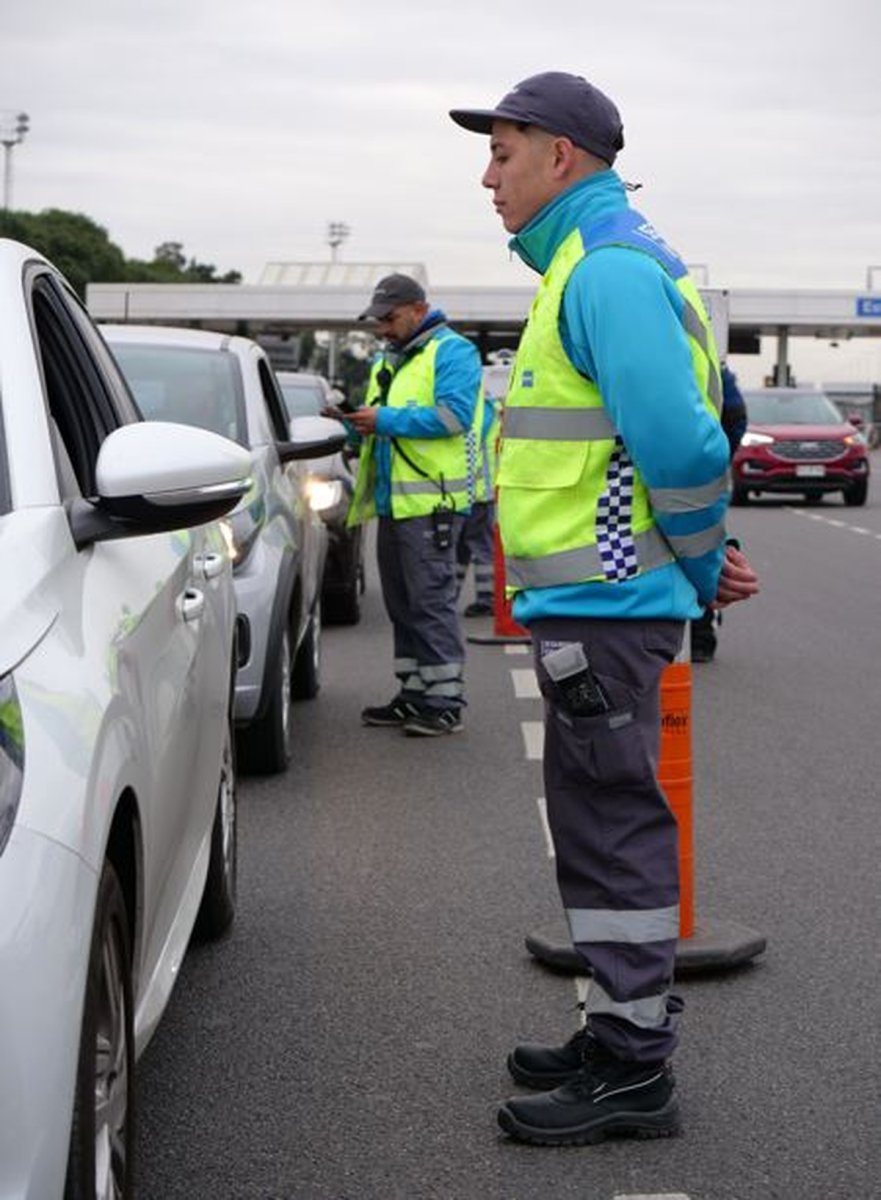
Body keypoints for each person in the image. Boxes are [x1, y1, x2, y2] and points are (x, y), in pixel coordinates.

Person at [450, 72, 759, 1145]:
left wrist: (697, 554)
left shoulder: (605, 271)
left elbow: (679, 440)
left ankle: (632, 1068)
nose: (486, 175)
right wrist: (698, 558)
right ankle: (614, 1031)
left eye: (501, 152)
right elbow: (647, 446)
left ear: (560, 156)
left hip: (607, 605)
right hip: (601, 597)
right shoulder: (589, 264)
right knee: (593, 822)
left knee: (613, 825)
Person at [342, 273, 482, 737]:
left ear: (418, 310)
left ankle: (445, 702)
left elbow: (453, 416)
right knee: (403, 605)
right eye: (378, 320)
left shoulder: (453, 352)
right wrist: (351, 426)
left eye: (389, 317)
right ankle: (415, 693)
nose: (382, 327)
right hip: (396, 503)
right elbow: (382, 420)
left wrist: (383, 419)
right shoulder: (395, 358)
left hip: (432, 504)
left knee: (430, 602)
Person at [691, 362, 748, 662]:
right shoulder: (710, 358)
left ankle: (700, 632)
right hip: (702, 476)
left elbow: (736, 414)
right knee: (700, 546)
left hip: (656, 473)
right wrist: (717, 457)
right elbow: (736, 416)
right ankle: (701, 634)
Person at [455, 383, 500, 616]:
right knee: (462, 546)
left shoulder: (478, 411)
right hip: (475, 490)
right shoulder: (490, 407)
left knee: (479, 545)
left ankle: (487, 599)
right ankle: (450, 595)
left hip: (478, 492)